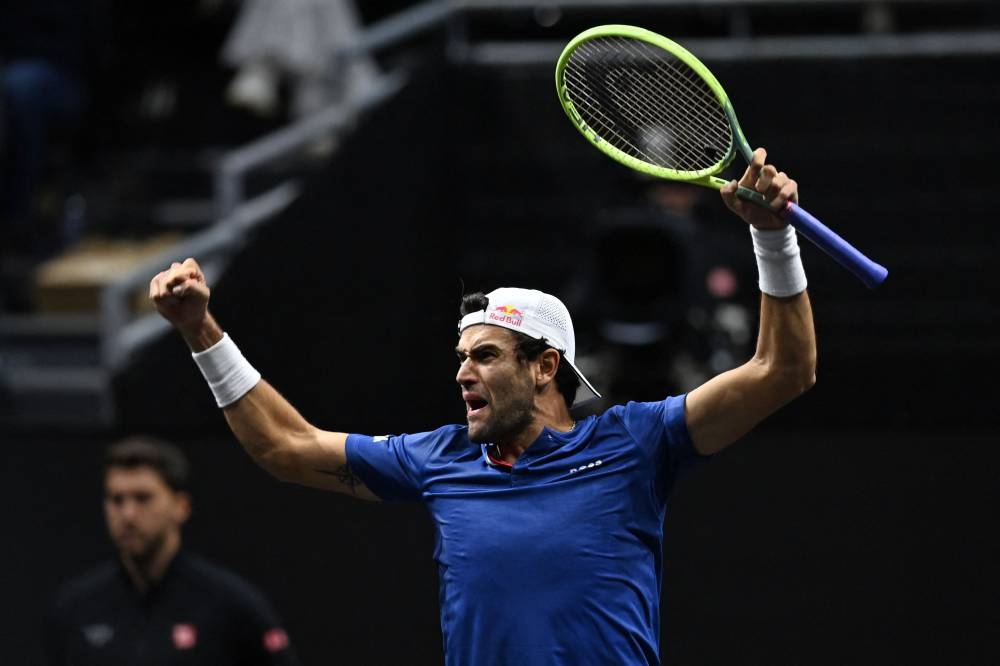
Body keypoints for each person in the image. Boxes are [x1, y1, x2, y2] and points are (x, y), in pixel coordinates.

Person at [148, 147, 816, 665]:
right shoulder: (437, 458)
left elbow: (783, 370)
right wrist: (200, 332)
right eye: (462, 356)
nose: (464, 371)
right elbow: (285, 448)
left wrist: (773, 238)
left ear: (545, 367)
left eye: (487, 355)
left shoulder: (636, 444)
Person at [43, 436, 302, 666]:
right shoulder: (75, 608)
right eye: (116, 499)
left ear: (181, 506)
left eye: (143, 498)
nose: (128, 514)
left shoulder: (233, 606)